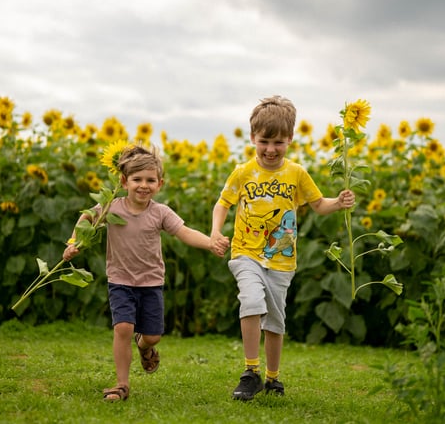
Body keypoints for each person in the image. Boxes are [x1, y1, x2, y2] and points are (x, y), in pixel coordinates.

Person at [210, 95, 355, 401]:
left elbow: (318, 204)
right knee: (250, 301)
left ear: (290, 139)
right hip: (246, 252)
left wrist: (338, 202)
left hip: (281, 258)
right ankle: (250, 371)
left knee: (275, 320)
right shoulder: (242, 172)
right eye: (264, 141)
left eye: (278, 142)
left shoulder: (296, 173)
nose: (271, 149)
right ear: (253, 138)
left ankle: (273, 378)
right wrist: (214, 232)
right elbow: (222, 204)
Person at [63, 145, 227, 402]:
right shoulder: (111, 207)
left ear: (160, 183)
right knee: (123, 328)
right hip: (120, 280)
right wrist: (74, 242)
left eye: (150, 180)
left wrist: (209, 242)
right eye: (137, 179)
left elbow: (184, 232)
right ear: (124, 181)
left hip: (151, 283)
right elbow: (87, 218)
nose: (143, 185)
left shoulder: (160, 212)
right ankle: (122, 384)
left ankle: (144, 346)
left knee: (153, 336)